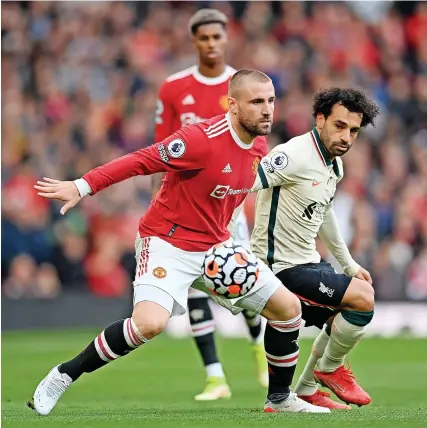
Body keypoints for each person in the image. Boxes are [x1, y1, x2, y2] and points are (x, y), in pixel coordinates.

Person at [28, 69, 330, 415]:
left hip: (217, 247)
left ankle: (279, 399)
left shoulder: (259, 143)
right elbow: (141, 161)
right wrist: (82, 186)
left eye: (271, 101)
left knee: (288, 310)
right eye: (257, 102)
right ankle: (64, 374)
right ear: (232, 105)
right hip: (166, 244)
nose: (267, 110)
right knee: (149, 324)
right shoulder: (200, 139)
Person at [152, 9, 267, 400]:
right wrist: (159, 199)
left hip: (227, 206)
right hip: (184, 207)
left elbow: (255, 148)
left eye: (218, 37)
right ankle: (215, 377)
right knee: (196, 289)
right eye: (204, 38)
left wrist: (240, 200)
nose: (212, 44)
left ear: (226, 38)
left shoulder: (243, 86)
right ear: (195, 41)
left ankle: (259, 350)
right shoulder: (172, 87)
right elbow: (160, 151)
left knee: (242, 280)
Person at [251, 87, 380, 409]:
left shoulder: (334, 165)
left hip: (308, 260)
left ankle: (307, 389)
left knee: (345, 313)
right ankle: (330, 369)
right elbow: (243, 184)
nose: (347, 137)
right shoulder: (292, 155)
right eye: (339, 126)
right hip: (277, 267)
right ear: (320, 119)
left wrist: (347, 263)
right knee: (363, 300)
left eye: (353, 130)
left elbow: (324, 212)